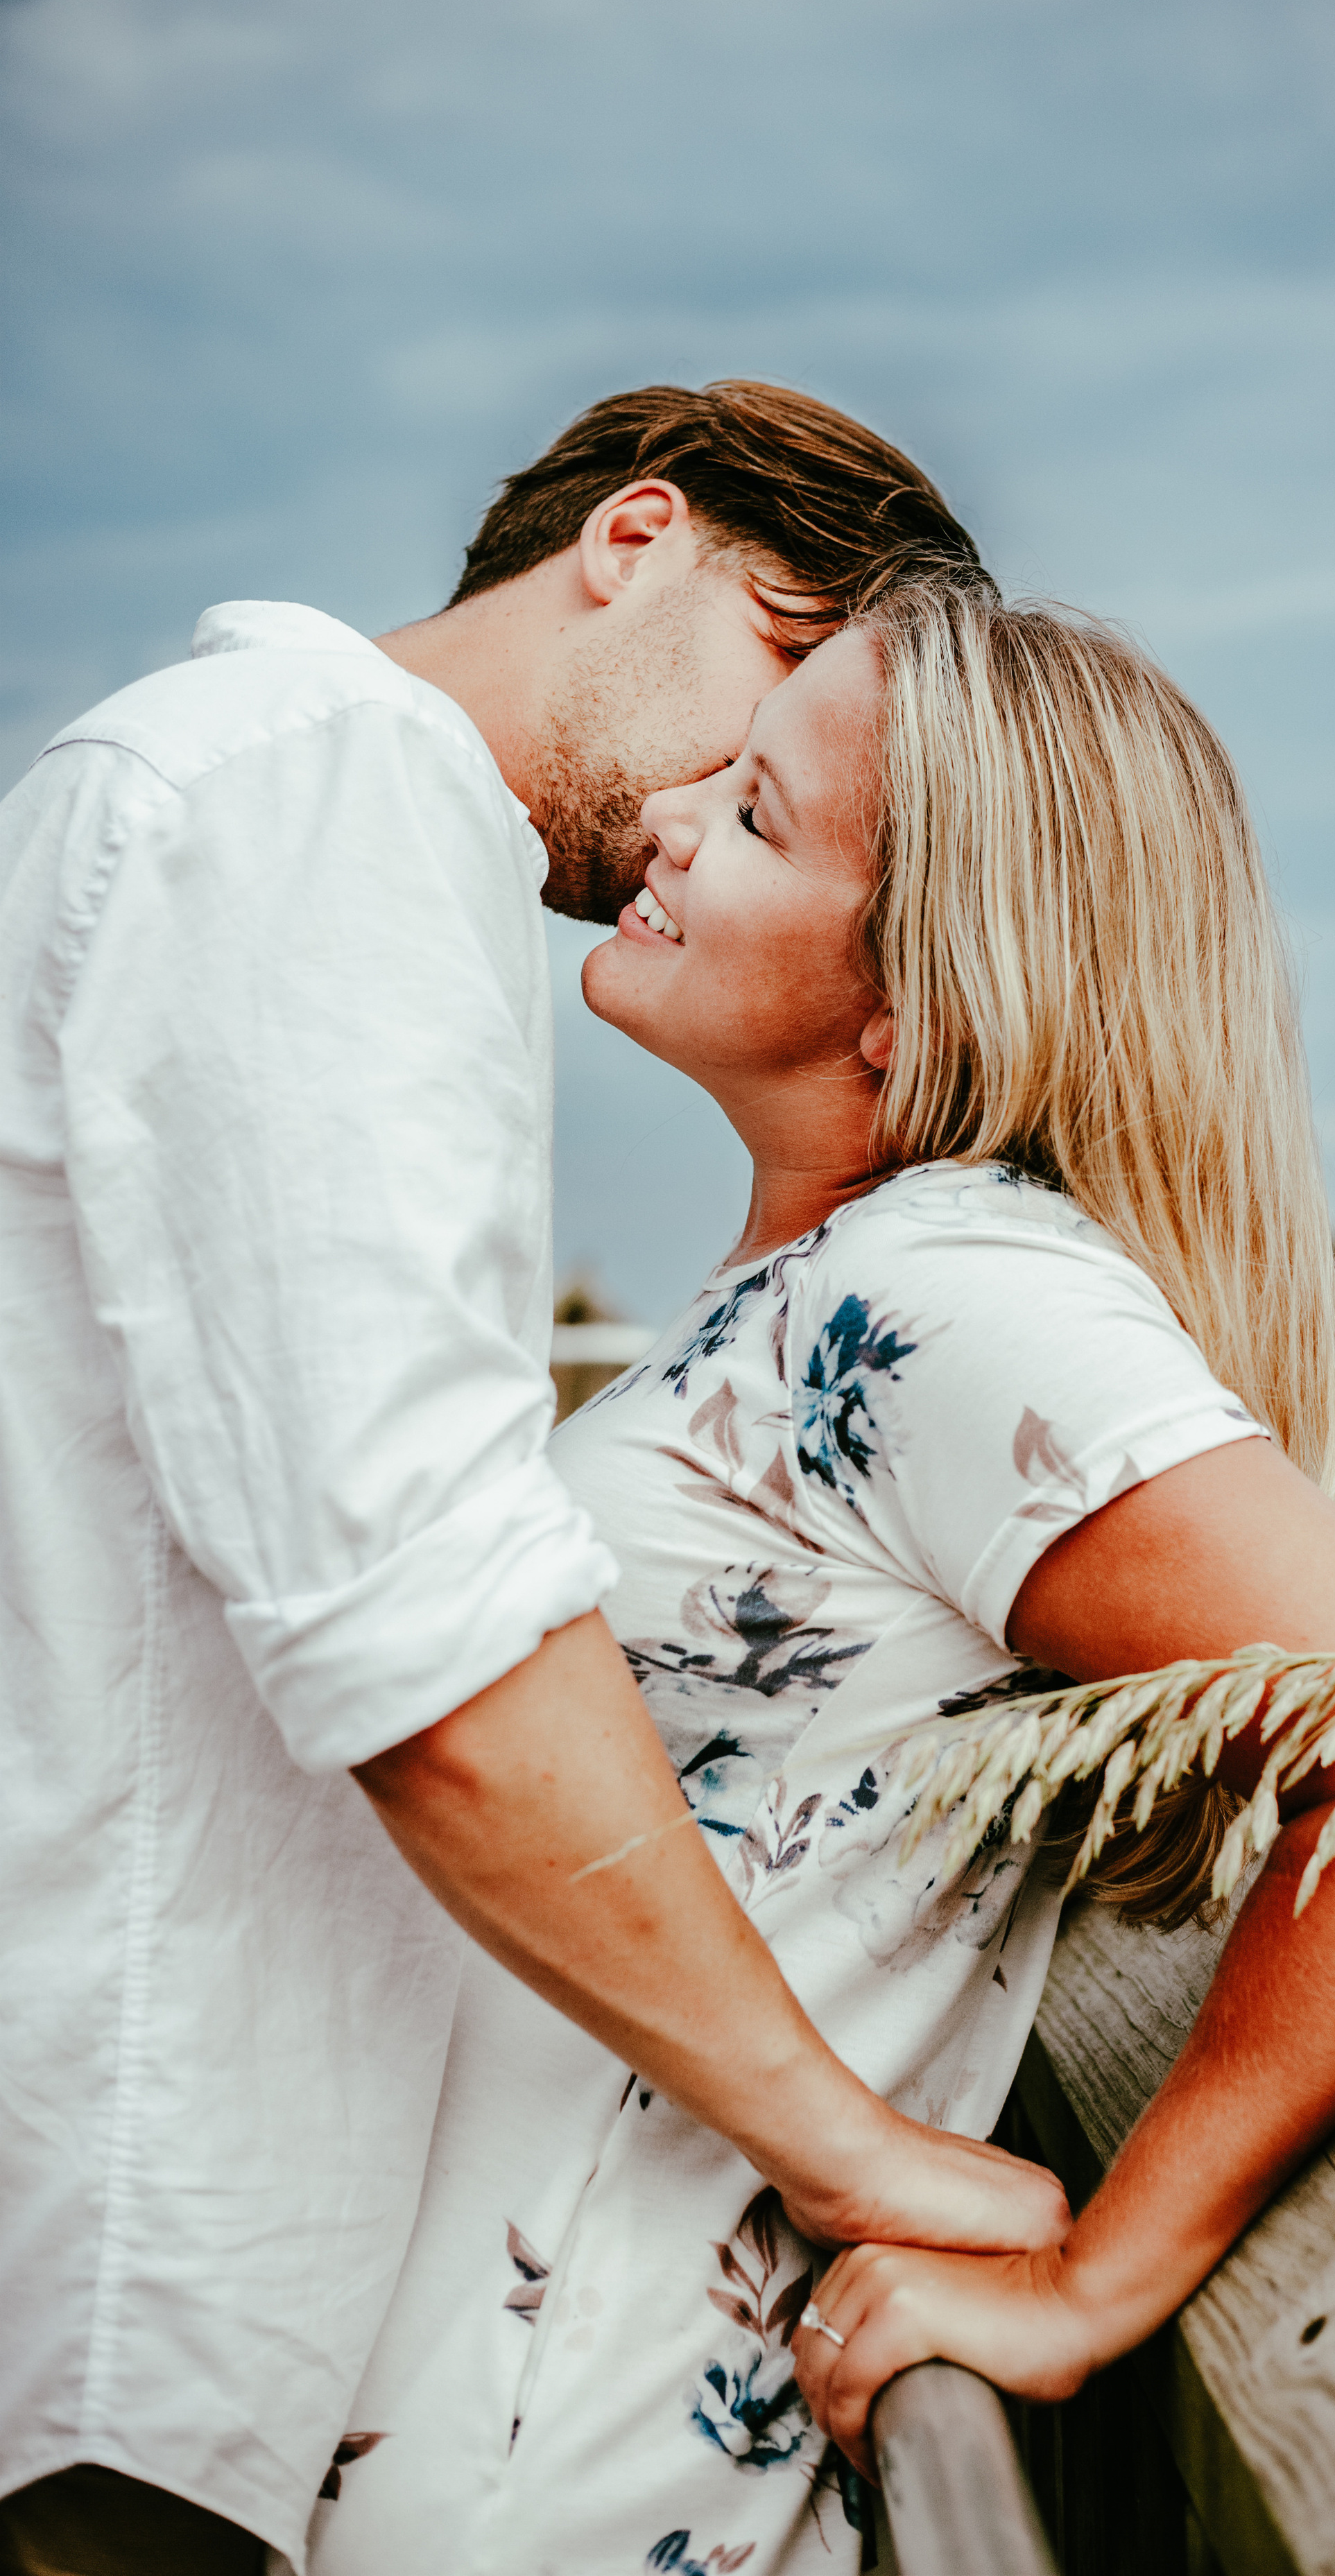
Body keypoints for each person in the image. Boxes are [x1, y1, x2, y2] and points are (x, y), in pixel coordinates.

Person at [304, 587, 1335, 2575]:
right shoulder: (816, 1290)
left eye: (758, 815)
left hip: (547, 2465)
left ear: (917, 1002)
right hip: (470, 2409)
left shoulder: (948, 1295)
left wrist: (1098, 2281)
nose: (666, 821)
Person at [0, 388, 1070, 2576]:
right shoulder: (325, 795)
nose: (724, 799)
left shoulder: (251, 797)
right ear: (637, 536)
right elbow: (424, 1611)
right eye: (784, 675)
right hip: (137, 2250)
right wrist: (848, 2144)